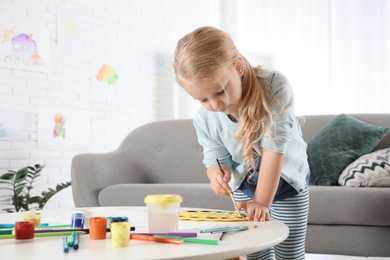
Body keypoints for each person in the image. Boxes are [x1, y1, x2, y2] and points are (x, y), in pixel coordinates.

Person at [173, 26, 310, 260]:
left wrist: (262, 203)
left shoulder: (274, 87)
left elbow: (274, 149)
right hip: (245, 188)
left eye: (219, 92)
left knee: (289, 252)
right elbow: (214, 154)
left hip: (287, 185)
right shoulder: (204, 118)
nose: (214, 104)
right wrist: (216, 172)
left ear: (237, 66)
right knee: (255, 252)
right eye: (202, 99)